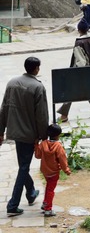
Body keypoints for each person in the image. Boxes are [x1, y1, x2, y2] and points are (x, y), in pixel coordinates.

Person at [0, 57, 49, 216]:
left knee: (23, 164)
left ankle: (31, 192)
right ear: (36, 69)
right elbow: (41, 115)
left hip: (15, 132)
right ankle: (13, 204)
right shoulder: (37, 87)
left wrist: (1, 131)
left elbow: (4, 108)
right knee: (23, 167)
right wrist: (43, 135)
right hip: (29, 134)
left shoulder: (12, 83)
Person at [58, 22, 90, 121]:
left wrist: (76, 73)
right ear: (87, 29)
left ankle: (64, 115)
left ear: (78, 30)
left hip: (81, 72)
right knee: (89, 90)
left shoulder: (79, 43)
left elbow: (81, 61)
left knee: (70, 91)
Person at [33, 124, 68, 217]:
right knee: (51, 190)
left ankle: (45, 203)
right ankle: (48, 209)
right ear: (58, 135)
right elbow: (62, 159)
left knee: (48, 187)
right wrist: (66, 169)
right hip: (54, 172)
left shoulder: (43, 144)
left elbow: (37, 155)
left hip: (45, 171)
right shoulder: (58, 146)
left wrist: (36, 145)